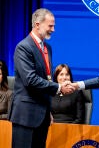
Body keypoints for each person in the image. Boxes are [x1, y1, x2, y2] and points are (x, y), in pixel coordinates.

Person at [8, 8, 74, 148]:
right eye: (50, 26)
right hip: (25, 115)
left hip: (42, 116)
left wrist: (47, 110)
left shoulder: (47, 47)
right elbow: (30, 80)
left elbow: (47, 78)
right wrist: (58, 87)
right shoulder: (23, 47)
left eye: (54, 26)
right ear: (37, 24)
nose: (53, 29)